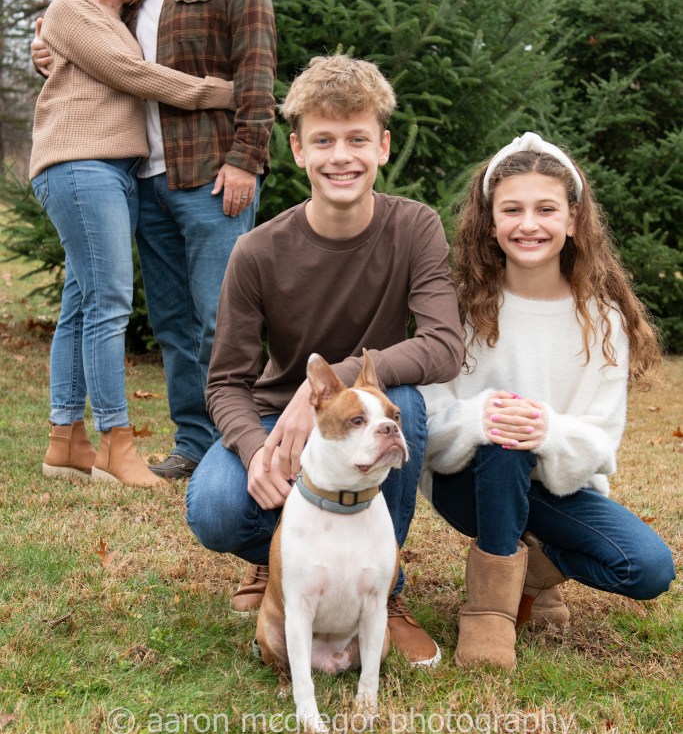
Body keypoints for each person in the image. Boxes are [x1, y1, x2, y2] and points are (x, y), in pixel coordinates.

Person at [185, 55, 465, 666]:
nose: (342, 156)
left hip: (359, 411)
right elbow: (226, 381)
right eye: (324, 140)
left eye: (357, 138)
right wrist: (253, 450)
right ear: (297, 150)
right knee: (214, 508)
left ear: (383, 146)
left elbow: (445, 345)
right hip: (277, 422)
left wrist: (332, 384)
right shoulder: (257, 251)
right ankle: (281, 563)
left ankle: (383, 593)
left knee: (401, 404)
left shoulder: (415, 227)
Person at [33, 0, 277, 481]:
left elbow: (256, 71)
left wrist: (246, 158)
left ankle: (237, 447)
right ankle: (193, 444)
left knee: (221, 318)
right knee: (171, 322)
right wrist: (45, 46)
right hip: (143, 179)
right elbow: (101, 53)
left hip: (212, 173)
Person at [419, 131, 675, 671]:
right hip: (468, 484)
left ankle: (536, 568)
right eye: (512, 209)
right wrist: (482, 417)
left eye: (546, 209)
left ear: (573, 219)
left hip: (553, 489)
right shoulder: (461, 307)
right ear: (491, 222)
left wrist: (548, 431)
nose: (528, 224)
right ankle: (490, 611)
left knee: (647, 567)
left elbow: (601, 441)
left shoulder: (601, 319)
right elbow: (430, 423)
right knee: (504, 441)